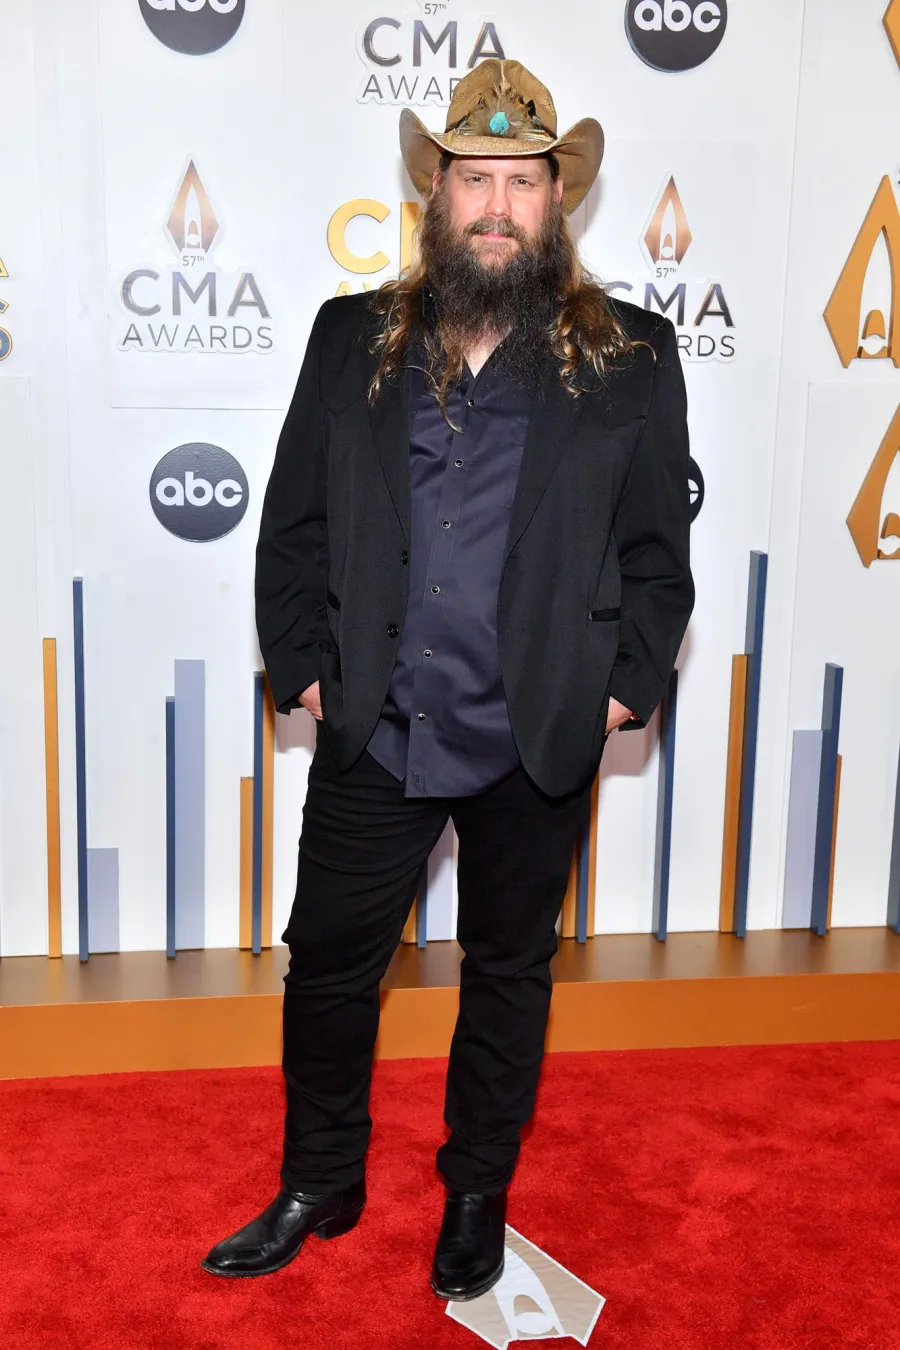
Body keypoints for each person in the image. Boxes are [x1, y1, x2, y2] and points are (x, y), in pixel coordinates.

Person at [202, 58, 694, 1300]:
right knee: (326, 964)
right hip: (378, 722)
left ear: (557, 199)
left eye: (522, 182)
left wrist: (621, 689)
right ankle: (320, 1177)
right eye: (475, 178)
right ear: (438, 192)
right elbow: (292, 526)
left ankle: (477, 1190)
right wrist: (306, 671)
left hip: (536, 728)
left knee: (508, 974)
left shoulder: (631, 356)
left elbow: (657, 555)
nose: (497, 205)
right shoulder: (351, 338)